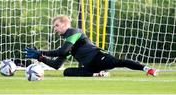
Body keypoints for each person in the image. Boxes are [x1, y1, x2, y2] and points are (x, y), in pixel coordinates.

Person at [24, 15, 157, 77]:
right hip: (89, 67)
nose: (55, 28)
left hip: (98, 57)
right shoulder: (68, 42)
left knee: (118, 62)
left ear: (65, 24)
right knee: (66, 72)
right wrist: (41, 58)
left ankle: (147, 68)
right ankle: (97, 74)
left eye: (57, 25)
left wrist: (41, 52)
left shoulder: (74, 32)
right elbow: (57, 65)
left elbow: (62, 51)